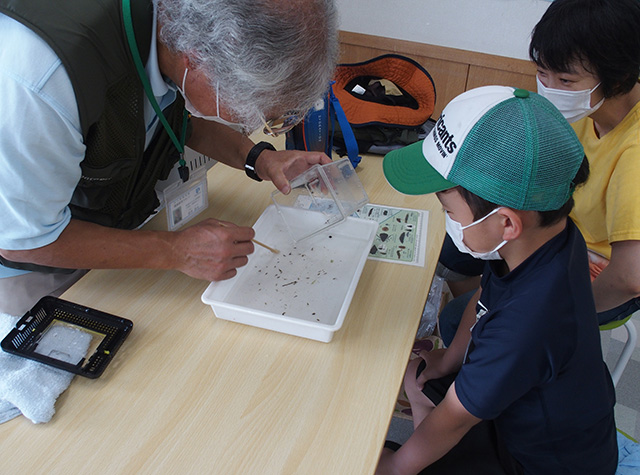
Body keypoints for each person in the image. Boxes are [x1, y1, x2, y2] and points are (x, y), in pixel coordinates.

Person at [0, 0, 339, 316]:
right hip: (35, 263)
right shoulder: (42, 82)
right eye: (252, 110)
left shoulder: (178, 28)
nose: (249, 124)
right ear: (197, 61)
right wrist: (174, 251)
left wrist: (259, 158)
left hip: (122, 224)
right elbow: (25, 242)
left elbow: (182, 118)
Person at [376, 86, 617, 474]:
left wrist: (395, 468)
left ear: (506, 222)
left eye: (448, 208)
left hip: (542, 462)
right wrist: (448, 359)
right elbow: (486, 295)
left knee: (387, 454)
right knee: (416, 378)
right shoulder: (544, 237)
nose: (448, 220)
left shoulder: (529, 322)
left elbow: (456, 419)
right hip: (532, 412)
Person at [437, 0, 640, 346]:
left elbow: (630, 276)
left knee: (464, 322)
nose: (549, 89)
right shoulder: (583, 111)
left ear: (618, 79)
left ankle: (502, 352)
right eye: (542, 73)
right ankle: (486, 329)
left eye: (565, 79)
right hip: (553, 235)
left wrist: (539, 311)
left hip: (599, 268)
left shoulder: (633, 150)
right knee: (457, 245)